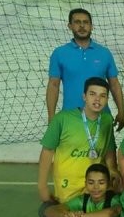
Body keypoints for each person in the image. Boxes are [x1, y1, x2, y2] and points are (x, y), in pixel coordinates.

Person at [38, 77, 118, 206]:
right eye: (92, 94)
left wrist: (112, 169)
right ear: (84, 97)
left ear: (107, 99)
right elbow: (47, 151)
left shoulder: (107, 120)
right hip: (69, 185)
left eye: (102, 96)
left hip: (95, 185)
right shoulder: (62, 119)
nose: (97, 99)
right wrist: (42, 187)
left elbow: (109, 149)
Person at [47, 8, 124, 131]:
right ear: (70, 26)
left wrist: (121, 111)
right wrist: (51, 116)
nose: (82, 26)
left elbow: (114, 84)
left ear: (91, 26)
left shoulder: (104, 53)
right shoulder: (59, 53)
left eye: (86, 22)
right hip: (70, 119)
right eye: (77, 22)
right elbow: (53, 85)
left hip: (102, 118)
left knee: (106, 151)